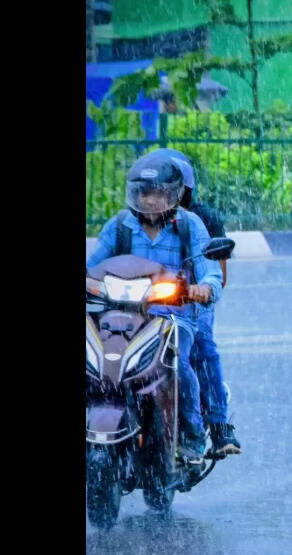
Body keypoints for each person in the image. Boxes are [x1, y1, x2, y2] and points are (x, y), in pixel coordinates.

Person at [86, 153, 223, 464]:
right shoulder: (120, 225)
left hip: (172, 318)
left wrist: (205, 287)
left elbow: (210, 270)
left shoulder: (190, 226)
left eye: (158, 192)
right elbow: (92, 267)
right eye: (144, 192)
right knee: (92, 363)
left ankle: (189, 434)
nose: (150, 200)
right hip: (121, 317)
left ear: (174, 194)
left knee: (181, 366)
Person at [150, 148, 242, 457]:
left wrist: (200, 289)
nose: (160, 194)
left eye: (168, 187)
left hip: (191, 303)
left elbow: (218, 276)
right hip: (147, 303)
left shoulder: (202, 220)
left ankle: (218, 425)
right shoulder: (137, 222)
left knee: (202, 345)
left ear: (184, 189)